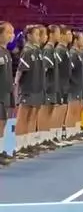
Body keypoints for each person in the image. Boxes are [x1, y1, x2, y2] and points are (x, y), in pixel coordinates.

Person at [14, 25, 45, 158]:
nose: (39, 37)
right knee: (23, 117)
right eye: (37, 34)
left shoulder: (37, 50)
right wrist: (16, 87)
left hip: (37, 87)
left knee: (32, 116)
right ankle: (19, 146)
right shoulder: (27, 51)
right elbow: (20, 71)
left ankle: (29, 143)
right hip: (27, 88)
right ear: (29, 36)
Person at [66, 31, 83, 141]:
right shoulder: (72, 54)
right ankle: (69, 134)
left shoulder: (78, 54)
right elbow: (69, 71)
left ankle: (75, 131)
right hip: (73, 86)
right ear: (76, 40)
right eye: (81, 39)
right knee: (72, 110)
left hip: (79, 86)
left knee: (78, 110)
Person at [0, 22, 14, 166]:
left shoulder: (6, 52)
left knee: (3, 123)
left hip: (5, 92)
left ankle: (1, 150)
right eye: (8, 32)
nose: (11, 35)